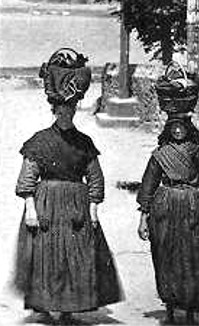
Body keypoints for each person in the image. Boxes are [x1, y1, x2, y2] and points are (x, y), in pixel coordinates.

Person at [14, 48, 123, 323]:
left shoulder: (84, 143)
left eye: (71, 110)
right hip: (46, 206)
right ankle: (49, 306)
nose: (66, 115)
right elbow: (28, 178)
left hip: (76, 207)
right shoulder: (38, 141)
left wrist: (94, 208)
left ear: (75, 110)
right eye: (62, 110)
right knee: (47, 257)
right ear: (54, 110)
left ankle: (67, 310)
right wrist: (30, 208)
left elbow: (95, 178)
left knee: (75, 257)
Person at [137, 62, 199, 325]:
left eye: (181, 126)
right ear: (168, 125)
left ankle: (190, 310)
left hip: (192, 207)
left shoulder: (198, 151)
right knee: (166, 256)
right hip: (165, 208)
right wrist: (143, 217)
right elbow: (148, 185)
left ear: (188, 124)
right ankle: (170, 307)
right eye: (173, 125)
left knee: (192, 258)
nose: (177, 129)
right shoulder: (160, 154)